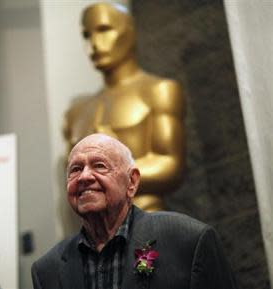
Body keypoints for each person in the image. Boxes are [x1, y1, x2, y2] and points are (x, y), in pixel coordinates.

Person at [32, 134, 238, 289]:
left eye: (100, 166)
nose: (84, 176)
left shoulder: (188, 240)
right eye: (75, 169)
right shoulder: (47, 271)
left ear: (132, 182)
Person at [63, 2, 185, 211]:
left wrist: (107, 177)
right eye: (86, 35)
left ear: (129, 31)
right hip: (93, 233)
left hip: (146, 221)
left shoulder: (159, 90)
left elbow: (170, 165)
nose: (93, 43)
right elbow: (73, 181)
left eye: (104, 29)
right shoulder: (76, 113)